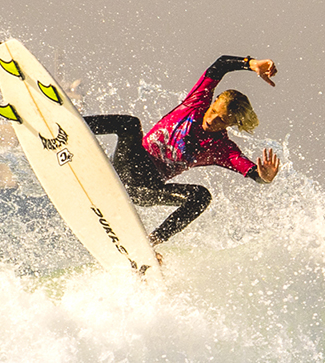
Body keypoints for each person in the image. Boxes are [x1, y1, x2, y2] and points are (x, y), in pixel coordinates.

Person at [83, 55, 281, 245]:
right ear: (211, 103)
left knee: (202, 196)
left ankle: (153, 241)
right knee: (130, 124)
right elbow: (220, 65)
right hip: (127, 164)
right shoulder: (195, 103)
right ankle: (73, 124)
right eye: (213, 112)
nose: (212, 120)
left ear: (232, 123)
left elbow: (252, 172)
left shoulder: (222, 148)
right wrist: (251, 64)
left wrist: (264, 177)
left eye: (222, 119)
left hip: (146, 189)